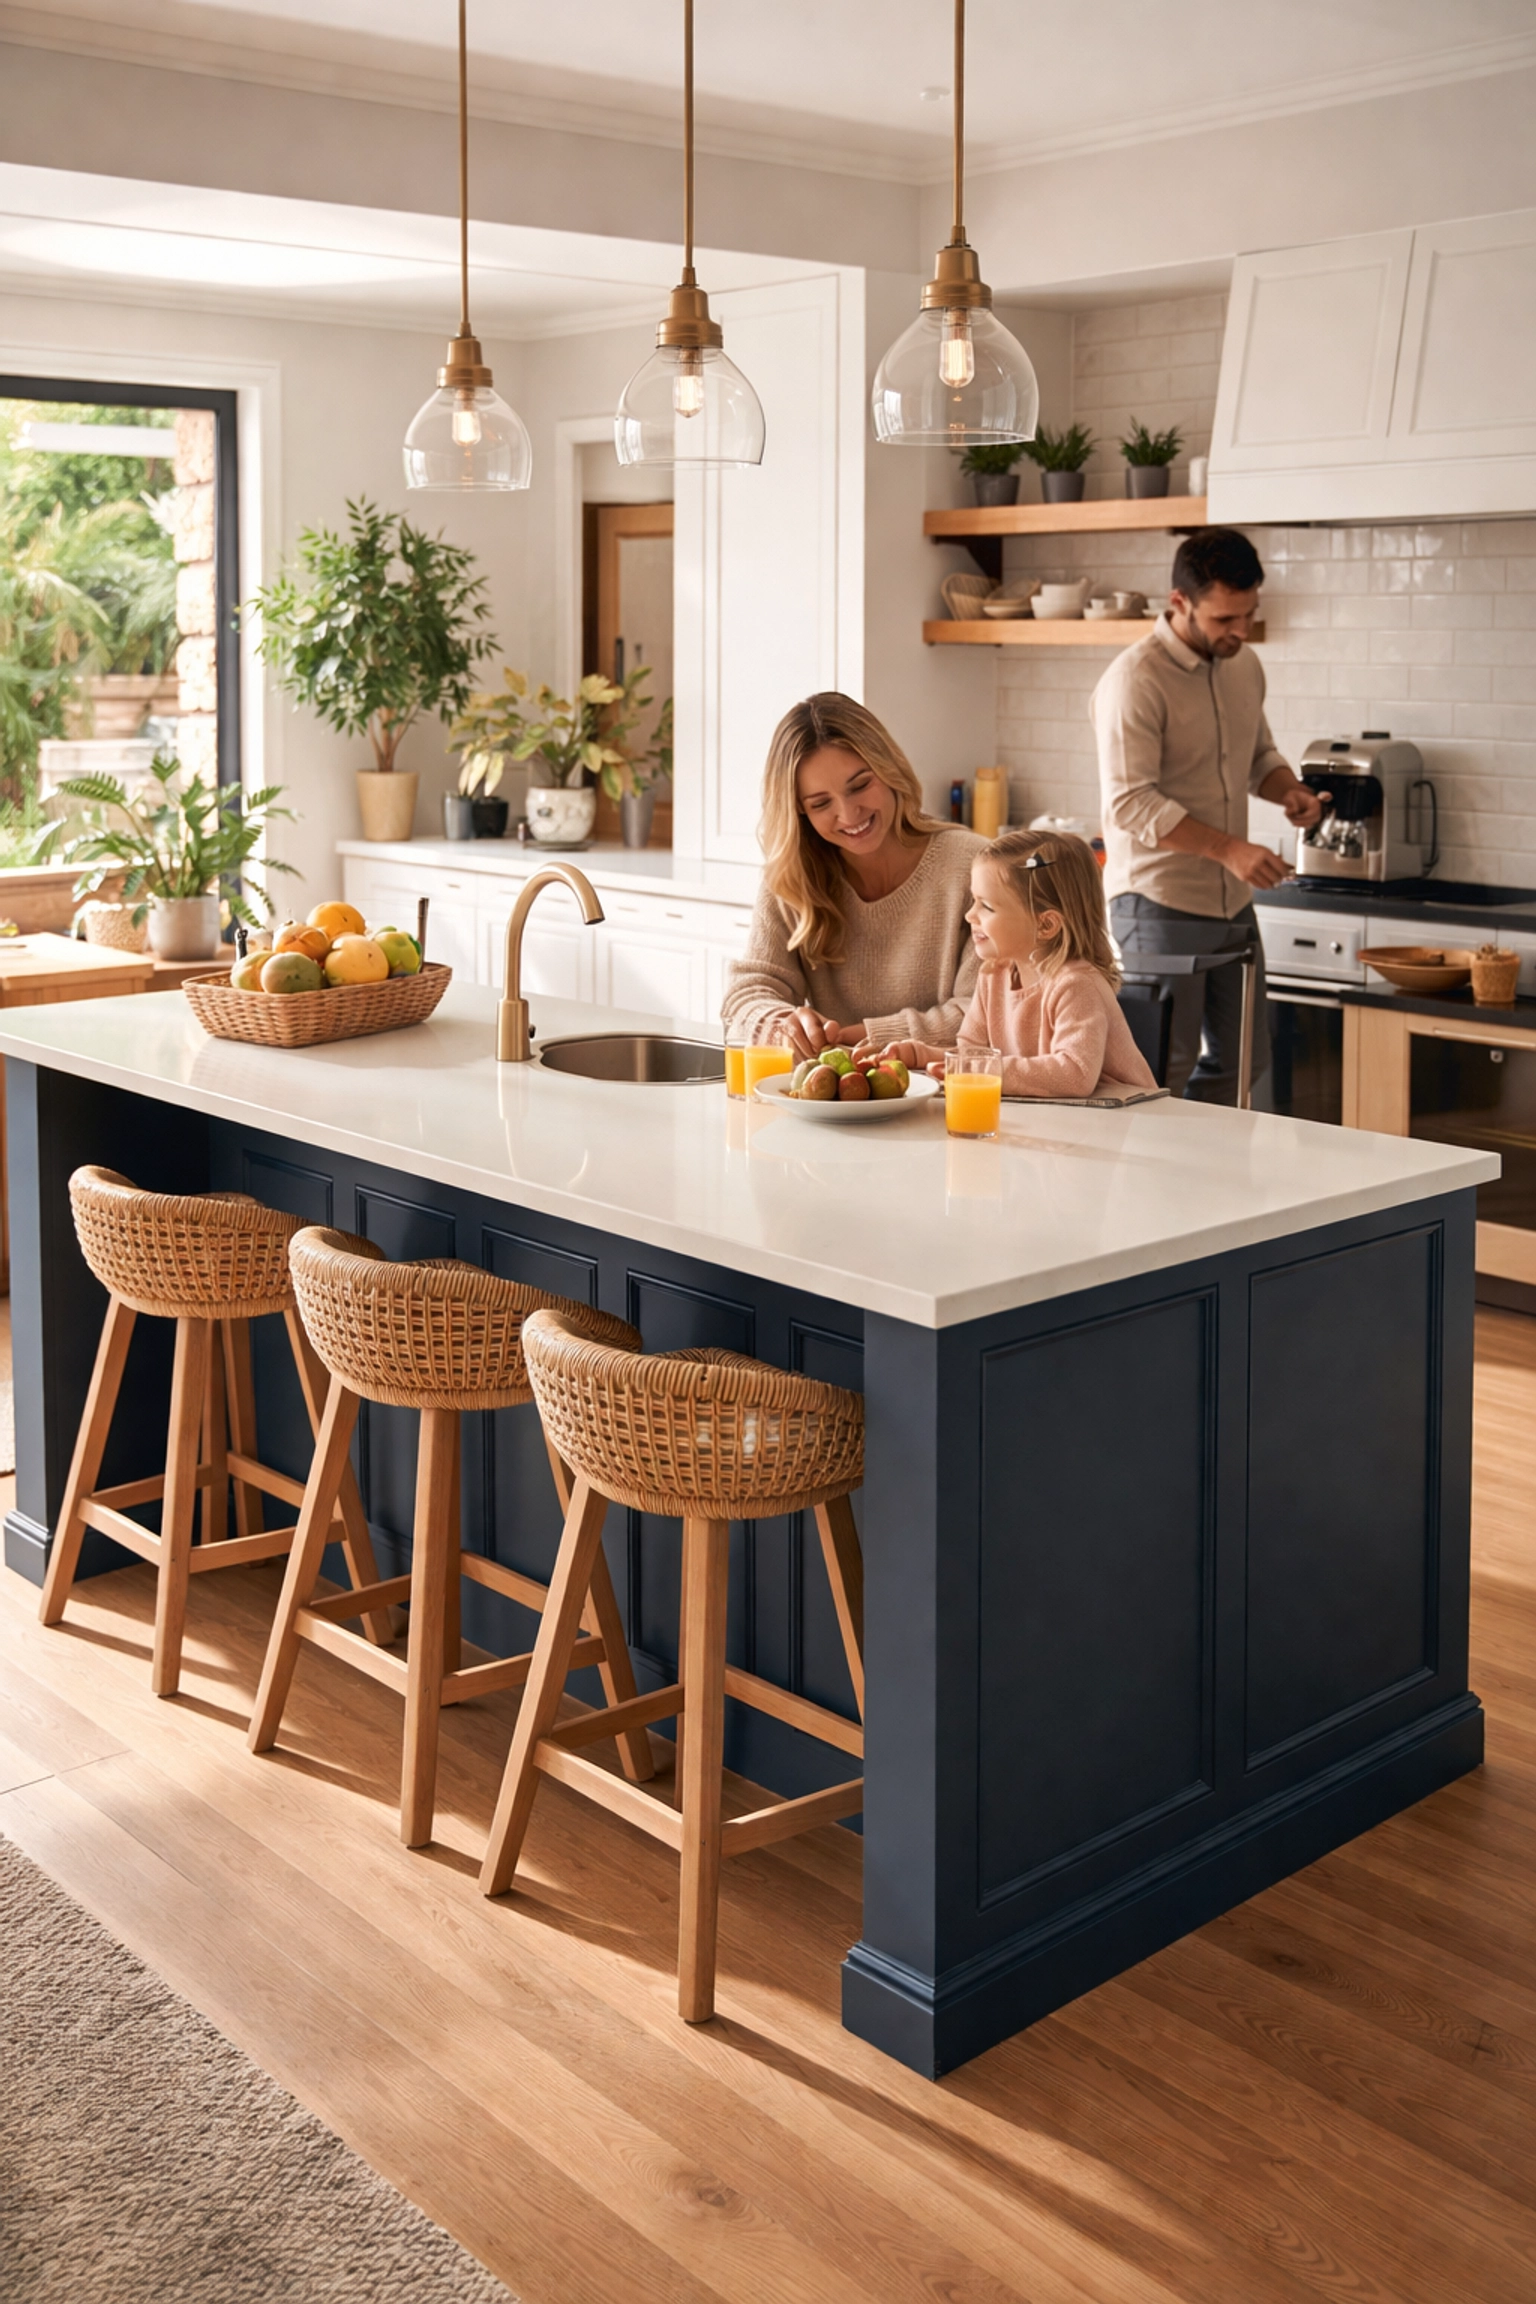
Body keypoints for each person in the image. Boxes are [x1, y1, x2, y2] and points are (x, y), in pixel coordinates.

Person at [1091, 526, 1326, 1103]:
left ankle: (1202, 1186)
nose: (1241, 632)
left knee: (1245, 1061)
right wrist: (1229, 849)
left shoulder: (1244, 666)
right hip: (1158, 900)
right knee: (1157, 1070)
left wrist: (1287, 789)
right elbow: (1129, 802)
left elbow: (1257, 757)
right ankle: (1150, 1190)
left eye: (1248, 615)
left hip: (1231, 901)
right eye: (1225, 619)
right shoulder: (1134, 680)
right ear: (1180, 603)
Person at [722, 692, 985, 1059]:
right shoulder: (793, 875)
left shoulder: (974, 866)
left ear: (889, 768)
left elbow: (989, 1013)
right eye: (821, 803)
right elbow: (747, 995)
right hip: (834, 1102)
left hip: (948, 1100)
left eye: (860, 785)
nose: (848, 814)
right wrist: (781, 1024)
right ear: (801, 812)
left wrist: (869, 1037)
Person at [878, 829, 1158, 1102]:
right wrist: (923, 1055)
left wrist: (985, 1071)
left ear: (1045, 924)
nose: (969, 915)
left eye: (986, 906)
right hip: (1068, 1124)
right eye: (974, 901)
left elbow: (1075, 1074)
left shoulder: (1076, 985)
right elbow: (973, 1053)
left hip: (1127, 1124)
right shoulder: (993, 974)